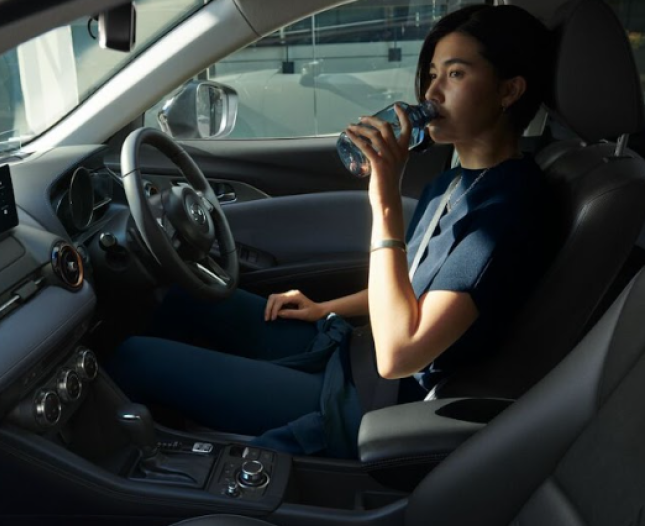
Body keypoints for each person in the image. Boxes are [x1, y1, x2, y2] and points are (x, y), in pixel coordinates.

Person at [106, 4, 554, 459]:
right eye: (433, 73)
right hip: (350, 350)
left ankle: (136, 466)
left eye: (455, 74)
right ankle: (176, 430)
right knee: (186, 295)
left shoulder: (508, 208)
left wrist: (384, 198)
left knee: (134, 357)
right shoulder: (452, 181)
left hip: (372, 401)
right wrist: (324, 308)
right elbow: (412, 286)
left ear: (509, 90)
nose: (432, 92)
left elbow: (400, 354)